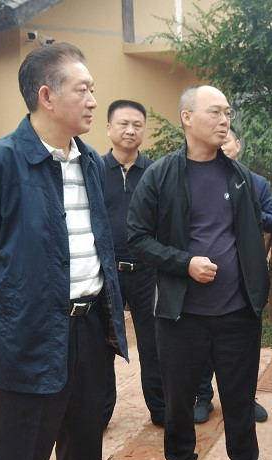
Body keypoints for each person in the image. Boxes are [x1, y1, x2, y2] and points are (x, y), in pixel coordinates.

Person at [0, 42, 128, 460]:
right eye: (83, 90)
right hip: (25, 342)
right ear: (47, 96)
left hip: (89, 334)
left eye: (93, 90)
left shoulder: (90, 162)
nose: (93, 101)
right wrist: (10, 319)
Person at [127, 85, 270, 460]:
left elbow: (255, 232)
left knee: (240, 404)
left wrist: (257, 292)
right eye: (215, 112)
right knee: (178, 405)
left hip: (237, 315)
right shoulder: (161, 175)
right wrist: (184, 263)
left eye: (228, 112)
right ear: (187, 118)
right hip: (181, 316)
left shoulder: (241, 177)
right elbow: (137, 238)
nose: (225, 120)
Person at [192, 124, 272, 424]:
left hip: (244, 276)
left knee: (243, 346)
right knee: (203, 343)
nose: (223, 146)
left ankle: (245, 398)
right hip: (203, 277)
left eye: (227, 141)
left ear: (237, 145)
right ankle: (203, 396)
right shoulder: (197, 179)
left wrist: (248, 209)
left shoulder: (255, 182)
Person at [102, 99, 164, 428]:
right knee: (101, 347)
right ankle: (99, 415)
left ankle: (161, 410)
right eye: (123, 124)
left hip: (147, 272)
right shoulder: (93, 170)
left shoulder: (156, 172)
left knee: (154, 346)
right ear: (109, 128)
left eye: (137, 125)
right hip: (105, 272)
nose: (130, 130)